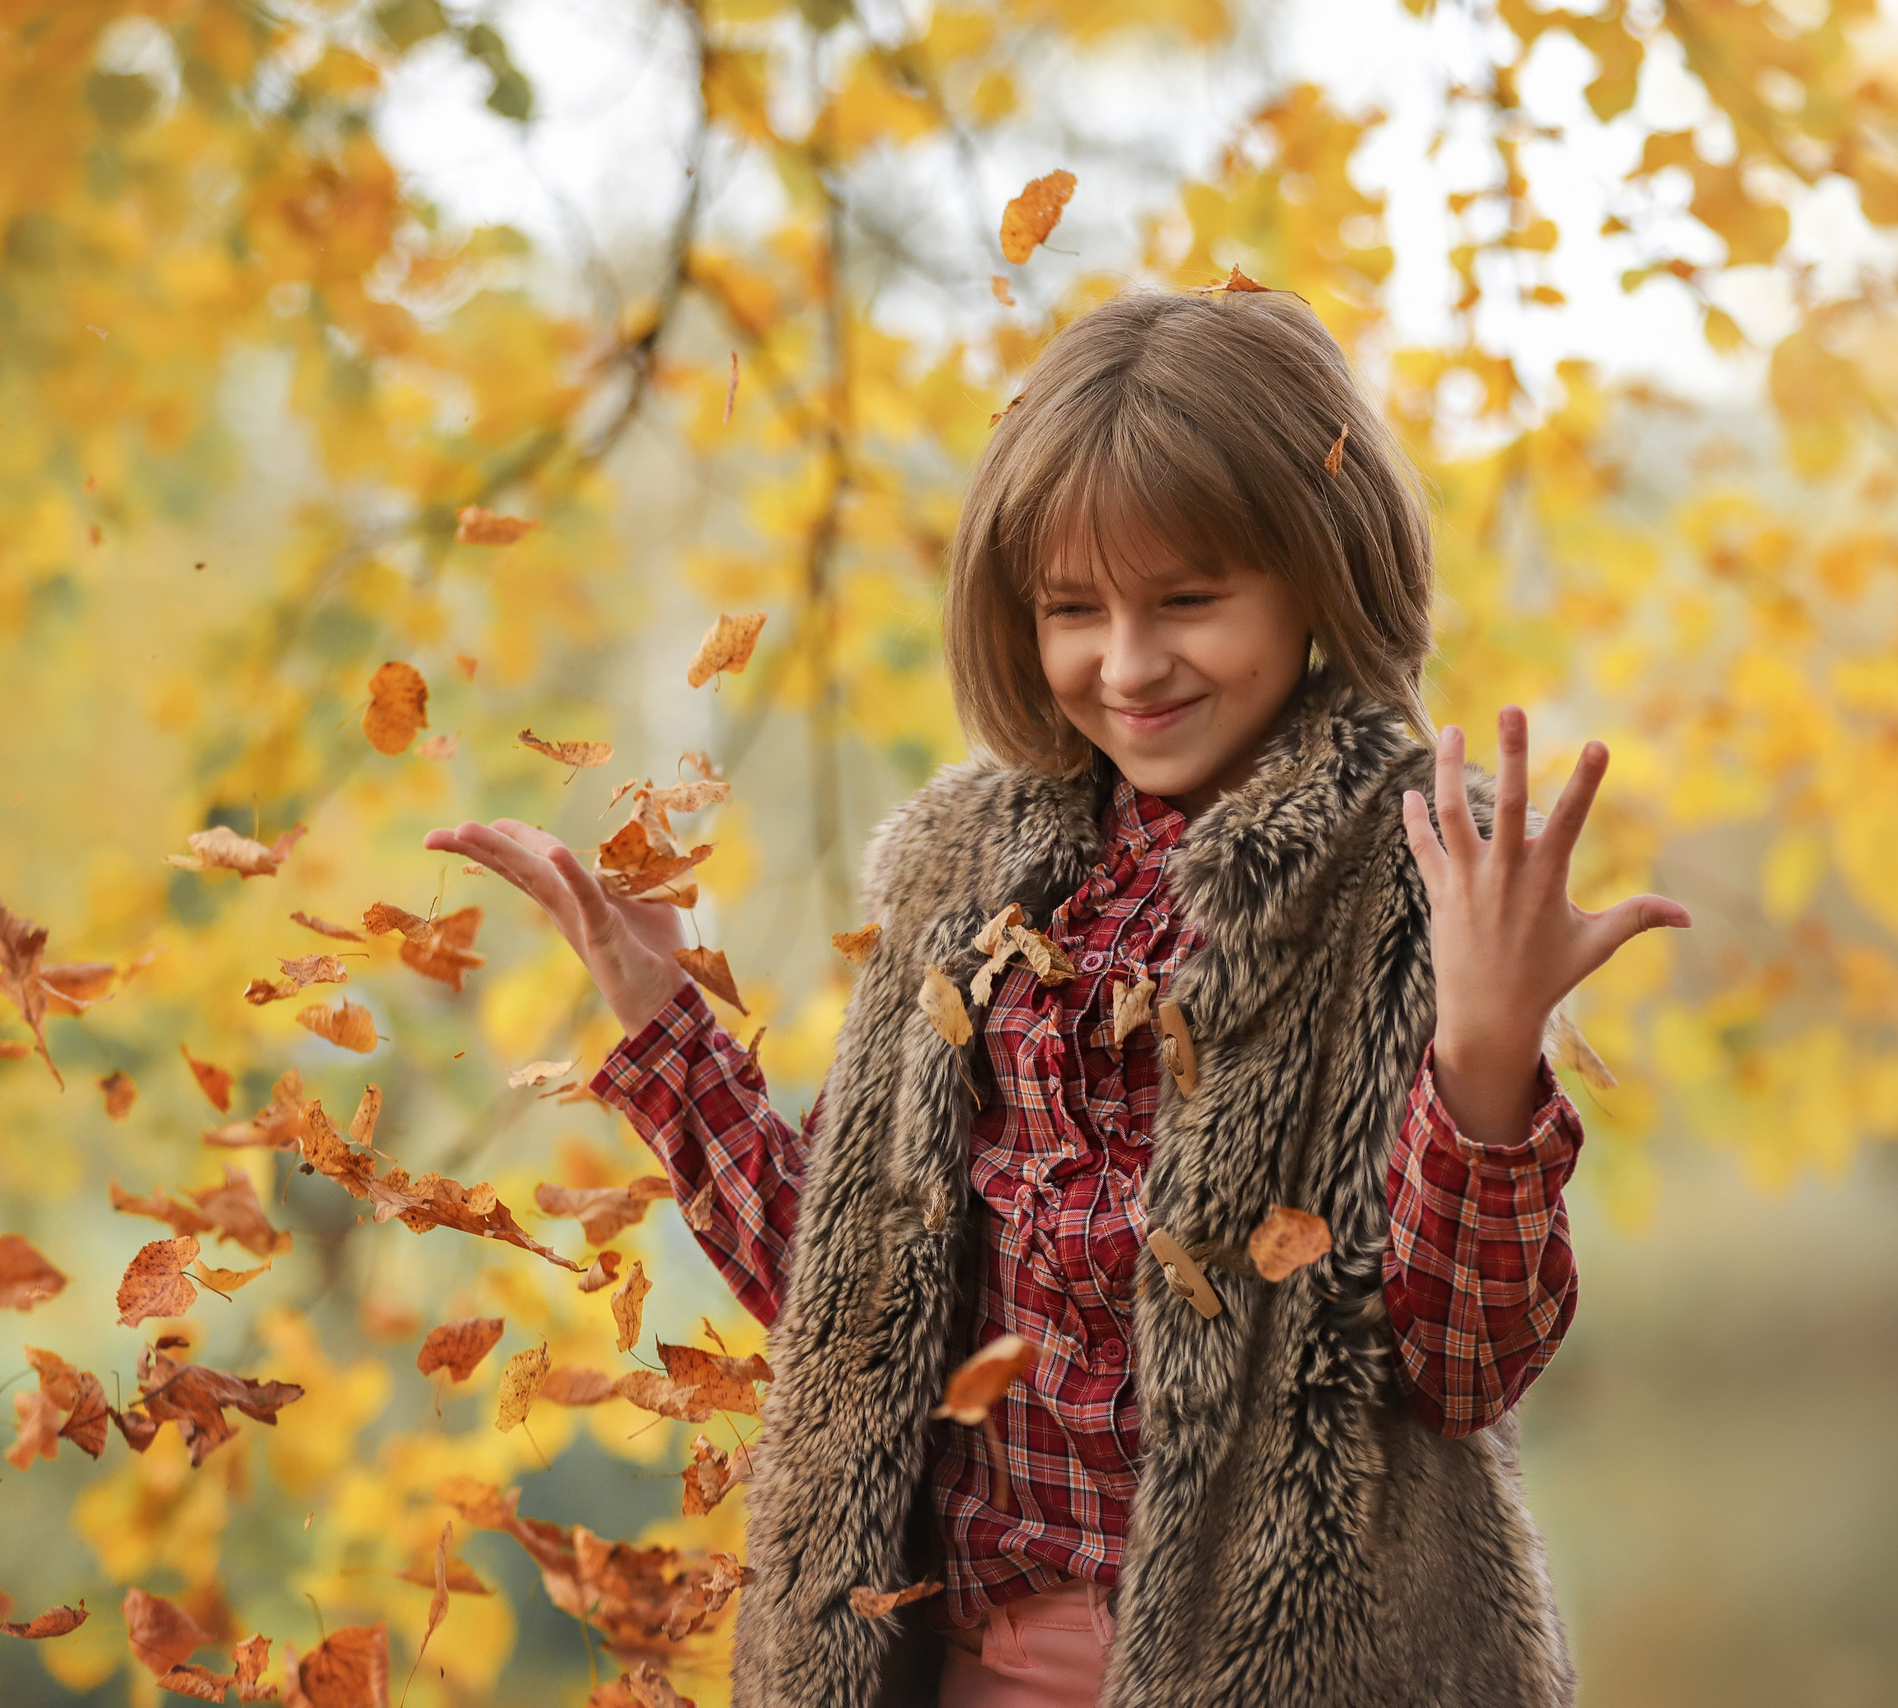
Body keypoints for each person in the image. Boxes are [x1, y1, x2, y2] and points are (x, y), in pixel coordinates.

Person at [429, 286, 1688, 1708]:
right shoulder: (965, 886)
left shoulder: (1406, 880)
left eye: (1189, 602)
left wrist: (1485, 1059)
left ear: (1319, 574)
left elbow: (1462, 1373)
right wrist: (668, 1033)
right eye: (1073, 610)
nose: (1128, 664)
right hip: (961, 1664)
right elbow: (851, 1314)